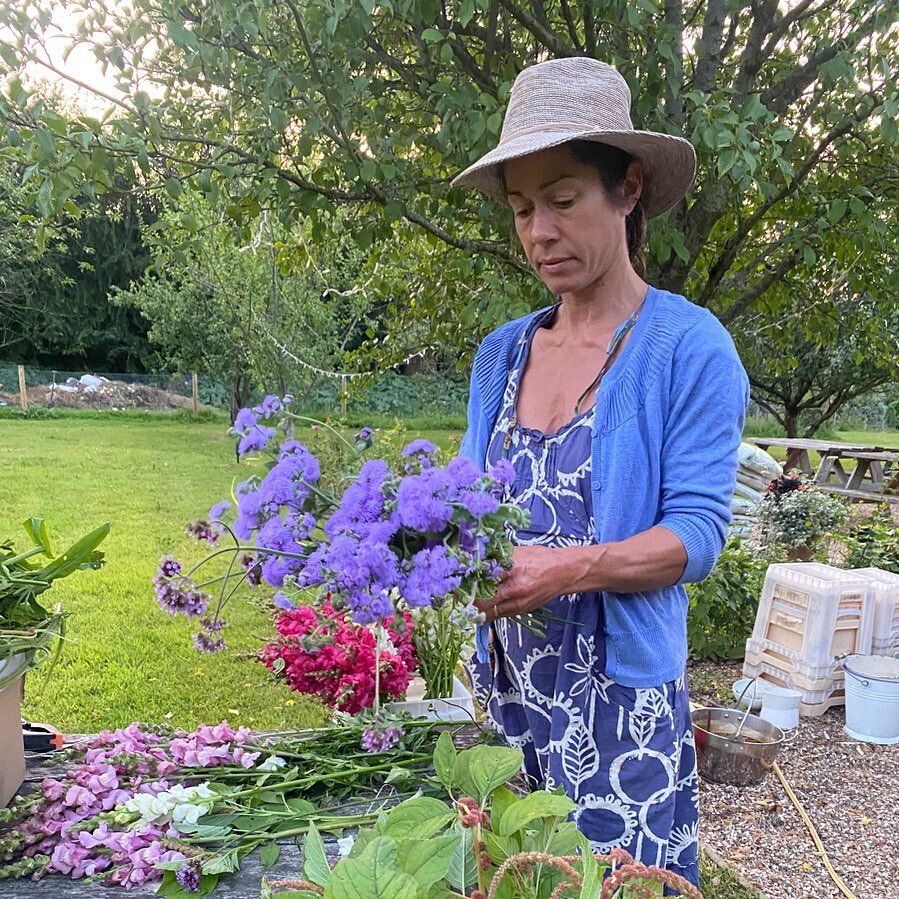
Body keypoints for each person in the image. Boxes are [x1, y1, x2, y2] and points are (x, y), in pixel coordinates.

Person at [453, 58, 749, 887]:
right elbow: (465, 508)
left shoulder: (687, 348)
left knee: (617, 884)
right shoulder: (500, 355)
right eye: (519, 208)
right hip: (507, 688)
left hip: (618, 703)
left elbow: (695, 536)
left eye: (561, 199)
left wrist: (565, 568)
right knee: (510, 874)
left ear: (627, 189)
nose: (537, 232)